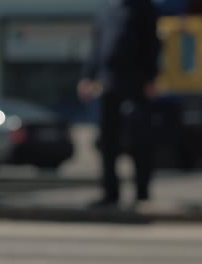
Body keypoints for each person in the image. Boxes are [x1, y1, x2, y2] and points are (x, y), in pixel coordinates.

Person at [78, 0, 160, 207]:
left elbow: (153, 44)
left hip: (136, 82)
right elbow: (97, 46)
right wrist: (88, 76)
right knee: (108, 142)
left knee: (139, 139)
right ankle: (110, 192)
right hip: (108, 82)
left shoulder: (143, 7)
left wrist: (151, 77)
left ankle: (142, 192)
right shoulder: (106, 9)